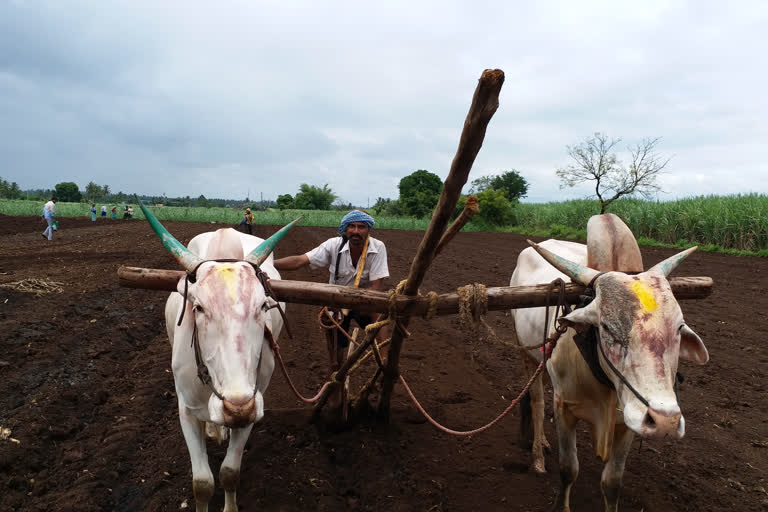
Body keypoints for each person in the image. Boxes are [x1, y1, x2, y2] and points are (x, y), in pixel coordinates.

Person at [273, 210, 389, 371]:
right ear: (345, 229)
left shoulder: (378, 248)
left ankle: (385, 361)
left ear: (368, 229)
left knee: (378, 314)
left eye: (361, 227)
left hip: (365, 300)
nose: (356, 231)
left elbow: (376, 287)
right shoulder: (333, 245)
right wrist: (269, 264)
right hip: (337, 301)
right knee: (333, 333)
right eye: (352, 226)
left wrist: (360, 304)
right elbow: (301, 260)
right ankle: (336, 367)